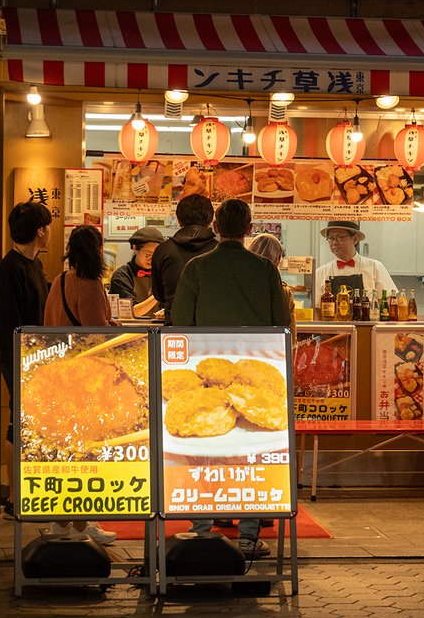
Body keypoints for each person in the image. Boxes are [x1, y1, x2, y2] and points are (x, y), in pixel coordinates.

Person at [171, 199, 289, 558]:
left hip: (206, 368)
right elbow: (280, 323)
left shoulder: (197, 268)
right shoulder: (265, 270)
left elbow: (179, 323)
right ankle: (250, 538)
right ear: (250, 228)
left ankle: (202, 531)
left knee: (204, 459)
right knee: (249, 462)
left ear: (217, 228)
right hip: (256, 371)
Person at [41, 224, 119, 545]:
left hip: (59, 374)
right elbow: (96, 333)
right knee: (86, 453)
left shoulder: (59, 281)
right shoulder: (90, 283)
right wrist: (116, 328)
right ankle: (83, 524)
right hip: (85, 378)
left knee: (65, 452)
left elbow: (49, 323)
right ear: (97, 250)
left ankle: (61, 523)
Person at [0, 202, 51, 450]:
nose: (49, 232)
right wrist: (24, 361)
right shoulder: (9, 269)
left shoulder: (35, 264)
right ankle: (14, 486)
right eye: (47, 227)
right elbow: (9, 324)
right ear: (40, 231)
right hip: (20, 358)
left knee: (33, 419)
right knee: (19, 421)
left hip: (38, 355)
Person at [151, 194, 217, 325]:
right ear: (210, 220)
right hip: (210, 331)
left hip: (175, 330)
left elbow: (159, 295)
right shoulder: (219, 250)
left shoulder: (163, 250)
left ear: (179, 220)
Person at [313, 220, 396, 298]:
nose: (334, 242)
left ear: (355, 239)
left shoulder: (375, 267)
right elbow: (316, 308)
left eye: (340, 237)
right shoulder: (320, 273)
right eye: (331, 238)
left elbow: (387, 301)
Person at [108, 226, 164, 318]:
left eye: (156, 255)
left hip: (158, 329)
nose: (152, 259)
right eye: (148, 255)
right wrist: (158, 294)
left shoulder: (161, 273)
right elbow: (133, 311)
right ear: (135, 248)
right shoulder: (121, 276)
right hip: (130, 330)